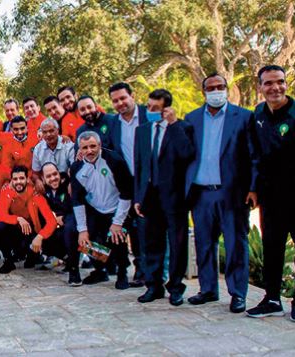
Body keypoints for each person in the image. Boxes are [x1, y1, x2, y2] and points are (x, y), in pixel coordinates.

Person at [182, 73, 257, 313]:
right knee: (204, 244)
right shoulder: (192, 119)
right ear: (203, 92)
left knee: (236, 244)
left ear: (226, 89)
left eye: (220, 87)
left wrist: (253, 188)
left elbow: (254, 156)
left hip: (232, 193)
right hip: (202, 194)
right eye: (211, 88)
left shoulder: (244, 117)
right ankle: (208, 289)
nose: (216, 91)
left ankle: (238, 294)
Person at [247, 65, 295, 322]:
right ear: (260, 87)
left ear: (286, 84)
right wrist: (253, 188)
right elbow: (256, 155)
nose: (275, 87)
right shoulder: (258, 114)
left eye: (280, 82)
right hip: (271, 198)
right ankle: (272, 299)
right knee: (272, 249)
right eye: (268, 83)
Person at [134, 91, 195, 306]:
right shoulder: (141, 131)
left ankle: (176, 287)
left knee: (177, 243)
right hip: (149, 195)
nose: (149, 111)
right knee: (151, 242)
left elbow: (187, 154)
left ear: (166, 108)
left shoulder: (182, 128)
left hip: (174, 195)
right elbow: (139, 165)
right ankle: (154, 285)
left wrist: (174, 124)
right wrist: (138, 197)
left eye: (155, 108)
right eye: (148, 106)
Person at [71, 131, 133, 288]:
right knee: (85, 240)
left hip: (117, 208)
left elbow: (126, 192)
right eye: (85, 148)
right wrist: (82, 229)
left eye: (93, 146)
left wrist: (118, 222)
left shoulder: (114, 161)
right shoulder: (77, 168)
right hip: (95, 209)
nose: (89, 151)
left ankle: (122, 273)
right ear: (80, 149)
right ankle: (100, 269)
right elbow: (77, 199)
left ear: (99, 145)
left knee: (117, 238)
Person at [106, 82, 149, 286]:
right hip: (127, 184)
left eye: (123, 98)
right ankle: (140, 269)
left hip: (150, 183)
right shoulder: (114, 123)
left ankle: (157, 273)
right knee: (132, 228)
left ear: (132, 95)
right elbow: (109, 150)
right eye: (115, 101)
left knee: (150, 228)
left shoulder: (149, 115)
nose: (120, 103)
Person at [0, 166, 57, 274]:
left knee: (30, 261)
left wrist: (40, 236)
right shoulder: (6, 192)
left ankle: (33, 255)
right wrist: (18, 219)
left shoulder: (35, 194)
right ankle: (8, 260)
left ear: (27, 179)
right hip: (14, 229)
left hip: (31, 231)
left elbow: (52, 221)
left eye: (21, 178)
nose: (18, 182)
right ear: (11, 181)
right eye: (15, 179)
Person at [41, 162, 81, 286]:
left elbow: (76, 207)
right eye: (48, 176)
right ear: (43, 179)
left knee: (70, 230)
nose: (53, 178)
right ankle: (66, 259)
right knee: (43, 236)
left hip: (75, 224)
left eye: (55, 174)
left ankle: (75, 271)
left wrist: (63, 218)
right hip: (57, 226)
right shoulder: (44, 191)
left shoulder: (69, 185)